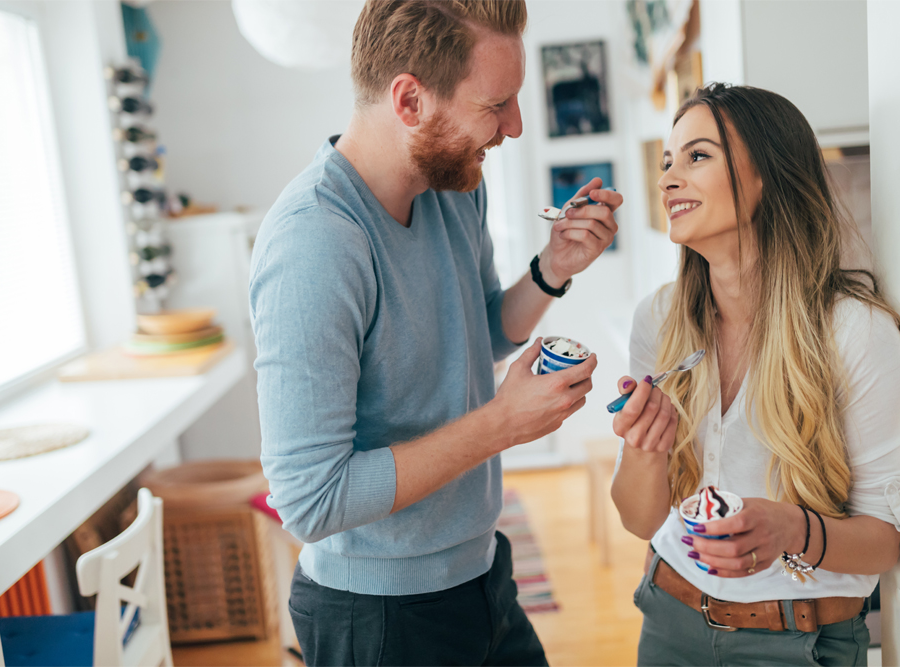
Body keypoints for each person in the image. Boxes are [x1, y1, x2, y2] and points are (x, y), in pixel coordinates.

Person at [249, 2, 622, 665]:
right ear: (410, 100)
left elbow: (471, 332)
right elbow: (310, 499)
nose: (515, 126)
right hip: (380, 614)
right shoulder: (315, 242)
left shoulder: (455, 187)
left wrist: (552, 266)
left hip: (481, 571)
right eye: (497, 104)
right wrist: (501, 423)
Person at [610, 83, 900, 666]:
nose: (669, 179)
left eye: (698, 157)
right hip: (669, 619)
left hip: (799, 643)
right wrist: (645, 450)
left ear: (767, 174)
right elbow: (639, 518)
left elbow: (883, 542)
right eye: (667, 163)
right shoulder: (659, 319)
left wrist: (792, 530)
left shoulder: (855, 333)